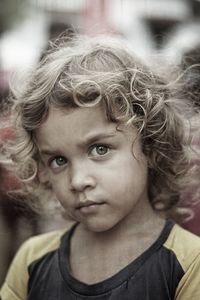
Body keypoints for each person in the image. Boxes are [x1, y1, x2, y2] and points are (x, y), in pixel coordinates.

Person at [0, 34, 200, 300]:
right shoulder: (31, 261)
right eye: (59, 160)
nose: (78, 180)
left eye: (100, 149)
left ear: (150, 145)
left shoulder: (190, 265)